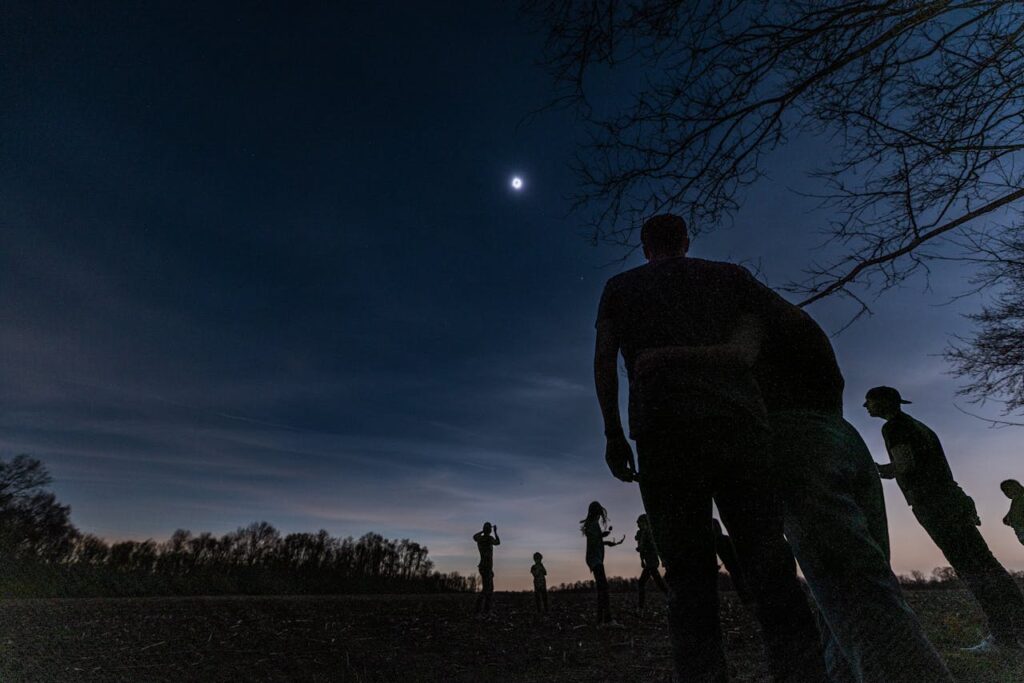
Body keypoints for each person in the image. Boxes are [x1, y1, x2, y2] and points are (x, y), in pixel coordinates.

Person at [637, 285, 953, 681]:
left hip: (800, 442)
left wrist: (660, 357)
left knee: (854, 590)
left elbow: (738, 358)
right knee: (846, 594)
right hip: (840, 437)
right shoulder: (793, 321)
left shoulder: (747, 311)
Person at [594, 213, 826, 681]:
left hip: (663, 432)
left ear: (645, 246)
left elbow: (602, 360)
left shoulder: (619, 286)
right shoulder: (730, 277)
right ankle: (802, 673)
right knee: (768, 560)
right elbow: (794, 325)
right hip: (739, 427)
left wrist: (613, 432)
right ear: (686, 240)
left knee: (687, 574)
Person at [866, 386, 1024, 652]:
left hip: (936, 505)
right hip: (952, 500)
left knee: (973, 570)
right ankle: (1014, 632)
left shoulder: (894, 427)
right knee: (987, 566)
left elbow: (904, 465)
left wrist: (868, 468)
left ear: (882, 402)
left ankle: (1004, 637)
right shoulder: (920, 427)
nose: (866, 407)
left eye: (868, 402)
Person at [581, 501, 624, 625]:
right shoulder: (593, 524)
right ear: (596, 513)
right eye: (599, 514)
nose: (600, 516)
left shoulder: (591, 524)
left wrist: (605, 539)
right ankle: (607, 619)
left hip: (594, 559)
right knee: (604, 588)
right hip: (595, 559)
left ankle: (601, 620)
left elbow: (595, 540)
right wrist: (603, 538)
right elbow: (595, 541)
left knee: (602, 588)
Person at [711, 518, 753, 606]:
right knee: (741, 583)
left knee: (740, 583)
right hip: (734, 566)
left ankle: (748, 602)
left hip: (734, 566)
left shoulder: (718, 541)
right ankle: (749, 602)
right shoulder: (722, 540)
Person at [635, 513, 667, 611]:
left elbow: (653, 547)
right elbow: (642, 548)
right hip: (649, 562)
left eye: (639, 523)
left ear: (644, 522)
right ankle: (671, 598)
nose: (638, 525)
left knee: (642, 583)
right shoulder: (642, 533)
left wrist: (641, 548)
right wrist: (642, 560)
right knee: (658, 583)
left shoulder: (649, 533)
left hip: (652, 562)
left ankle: (640, 608)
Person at [472, 522, 500, 615]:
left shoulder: (480, 538)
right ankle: (483, 609)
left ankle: (482, 609)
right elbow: (498, 542)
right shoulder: (489, 538)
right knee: (488, 589)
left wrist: (482, 531)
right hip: (487, 566)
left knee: (487, 588)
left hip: (483, 566)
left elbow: (474, 536)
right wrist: (496, 532)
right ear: (490, 530)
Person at [1001, 479, 1024, 546]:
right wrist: (1007, 518)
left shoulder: (1021, 496)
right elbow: (1012, 512)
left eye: (1007, 490)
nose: (1006, 493)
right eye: (1005, 492)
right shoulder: (1015, 500)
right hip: (1020, 531)